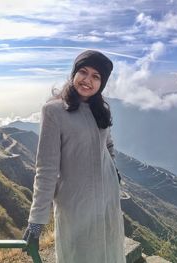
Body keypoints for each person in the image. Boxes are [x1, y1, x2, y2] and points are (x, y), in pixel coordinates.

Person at [23, 50, 125, 263]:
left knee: (111, 251)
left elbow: (108, 143)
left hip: (108, 197)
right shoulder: (54, 111)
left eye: (96, 77)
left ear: (102, 83)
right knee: (79, 254)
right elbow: (46, 168)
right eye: (83, 72)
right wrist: (37, 220)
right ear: (73, 74)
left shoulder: (100, 108)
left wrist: (113, 170)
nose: (87, 80)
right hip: (76, 203)